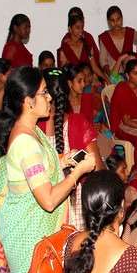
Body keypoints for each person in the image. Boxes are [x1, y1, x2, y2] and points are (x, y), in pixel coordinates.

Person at [0, 66, 95, 273]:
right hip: (28, 236)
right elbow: (47, 200)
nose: (49, 98)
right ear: (28, 101)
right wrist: (78, 172)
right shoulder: (25, 142)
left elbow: (37, 165)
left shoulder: (28, 129)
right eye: (44, 93)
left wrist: (63, 160)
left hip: (30, 228)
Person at [41, 69, 102, 229]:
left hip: (43, 199)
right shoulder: (78, 122)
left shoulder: (32, 128)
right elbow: (98, 168)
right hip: (75, 203)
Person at [57, 6, 105, 84]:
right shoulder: (65, 44)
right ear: (70, 28)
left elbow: (95, 65)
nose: (81, 31)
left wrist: (105, 79)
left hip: (91, 78)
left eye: (81, 27)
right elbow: (63, 71)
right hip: (75, 83)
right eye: (77, 27)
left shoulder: (87, 39)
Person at [97, 5, 137, 77]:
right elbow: (103, 62)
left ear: (122, 18)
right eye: (112, 20)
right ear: (108, 22)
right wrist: (111, 76)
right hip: (113, 75)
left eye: (118, 19)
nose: (116, 23)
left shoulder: (130, 32)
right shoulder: (105, 38)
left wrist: (136, 61)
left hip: (130, 75)